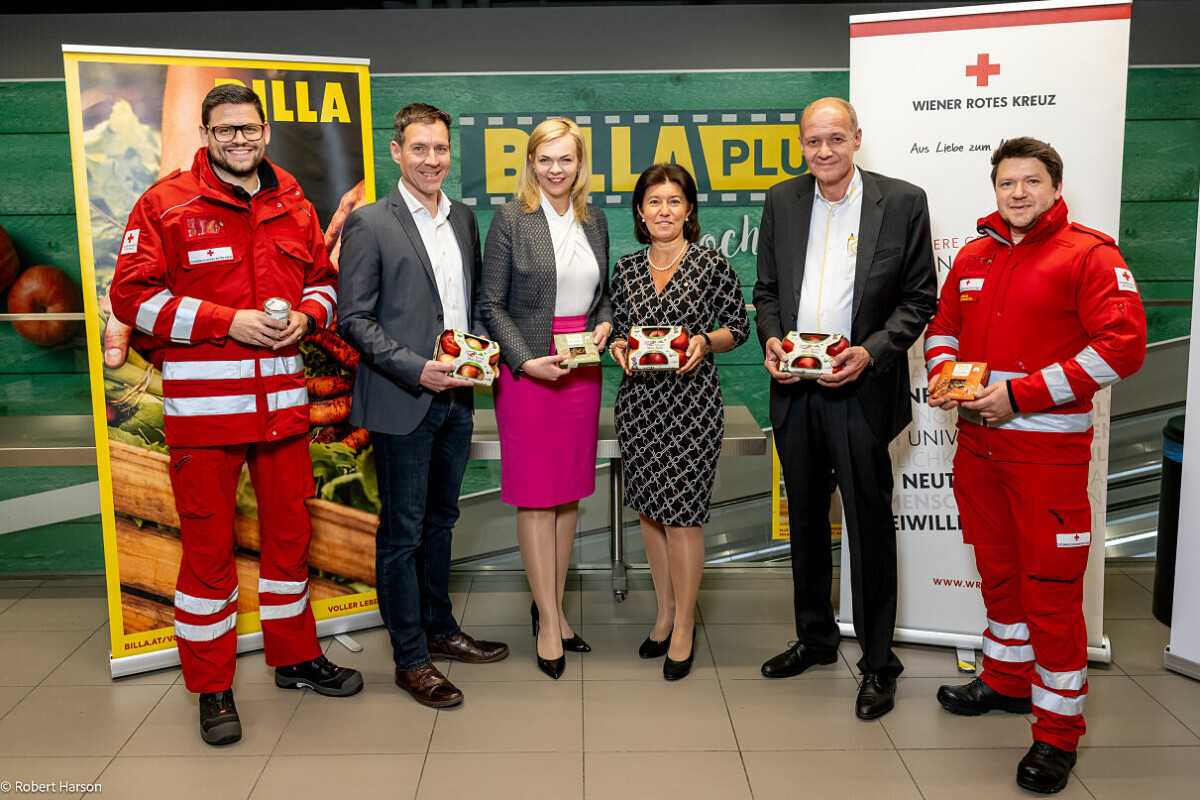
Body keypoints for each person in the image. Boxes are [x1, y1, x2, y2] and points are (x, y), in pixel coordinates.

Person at [108, 84, 363, 747]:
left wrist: (308, 316)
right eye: (224, 131)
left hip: (282, 413)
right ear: (206, 133)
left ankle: (296, 657)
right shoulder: (166, 205)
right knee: (208, 556)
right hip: (205, 418)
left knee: (287, 541)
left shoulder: (293, 204)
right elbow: (132, 296)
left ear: (266, 130)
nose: (238, 141)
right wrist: (229, 322)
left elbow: (324, 283)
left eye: (248, 129)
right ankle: (212, 686)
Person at [926, 137, 1146, 793]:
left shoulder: (1091, 254)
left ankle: (1056, 733)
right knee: (998, 572)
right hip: (978, 446)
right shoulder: (972, 254)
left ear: (1054, 187)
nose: (1017, 193)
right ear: (994, 189)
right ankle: (1006, 678)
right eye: (1006, 183)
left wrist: (1020, 394)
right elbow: (942, 329)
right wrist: (949, 378)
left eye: (1030, 181)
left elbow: (1124, 348)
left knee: (1050, 590)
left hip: (1047, 452)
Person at [752, 97, 937, 719]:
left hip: (861, 390)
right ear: (801, 145)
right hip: (795, 389)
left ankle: (879, 663)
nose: (823, 151)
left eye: (835, 139)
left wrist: (872, 352)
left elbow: (918, 299)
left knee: (867, 523)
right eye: (812, 142)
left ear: (857, 137)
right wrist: (772, 338)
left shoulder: (903, 201)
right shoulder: (782, 201)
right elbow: (768, 291)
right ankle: (815, 638)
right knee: (804, 518)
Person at [337, 103, 509, 709]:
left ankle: (440, 630)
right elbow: (352, 319)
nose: (431, 160)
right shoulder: (369, 223)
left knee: (441, 522)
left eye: (440, 149)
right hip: (403, 398)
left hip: (458, 397)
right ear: (396, 152)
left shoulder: (463, 218)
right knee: (403, 533)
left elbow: (471, 307)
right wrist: (418, 369)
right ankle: (411, 658)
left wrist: (486, 359)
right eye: (419, 149)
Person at [480, 118, 611, 679]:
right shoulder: (511, 218)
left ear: (581, 165)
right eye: (546, 159)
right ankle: (552, 624)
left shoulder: (595, 219)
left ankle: (550, 609)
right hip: (530, 375)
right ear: (530, 163)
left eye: (567, 160)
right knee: (536, 498)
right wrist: (523, 359)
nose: (556, 170)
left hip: (580, 373)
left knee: (568, 498)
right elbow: (490, 303)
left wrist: (604, 326)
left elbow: (603, 296)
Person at [608, 163, 750, 681]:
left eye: (673, 201)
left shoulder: (711, 265)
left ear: (689, 210)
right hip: (641, 408)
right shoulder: (624, 269)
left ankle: (685, 625)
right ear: (640, 213)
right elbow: (620, 332)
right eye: (653, 202)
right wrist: (620, 347)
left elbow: (738, 326)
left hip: (692, 409)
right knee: (649, 511)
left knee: (684, 517)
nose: (663, 211)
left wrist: (704, 343)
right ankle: (663, 613)